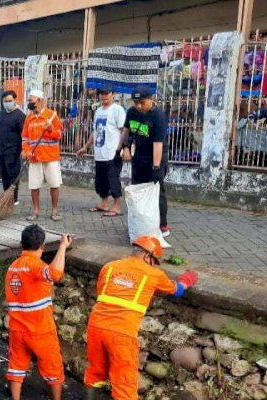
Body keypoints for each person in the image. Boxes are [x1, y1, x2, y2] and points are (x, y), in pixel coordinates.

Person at [84, 236, 198, 400]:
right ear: (147, 256)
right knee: (125, 382)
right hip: (122, 332)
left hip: (95, 326)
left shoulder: (109, 267)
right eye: (154, 261)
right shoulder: (153, 274)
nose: (154, 265)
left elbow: (103, 291)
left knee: (95, 371)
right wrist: (186, 280)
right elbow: (176, 290)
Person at [5, 224, 73, 400]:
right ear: (42, 246)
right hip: (40, 329)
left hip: (17, 329)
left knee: (17, 366)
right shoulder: (35, 265)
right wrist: (63, 246)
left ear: (21, 244)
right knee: (53, 367)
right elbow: (55, 273)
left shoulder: (13, 267)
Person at [120, 85, 171, 237]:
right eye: (135, 103)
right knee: (138, 190)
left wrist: (156, 167)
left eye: (141, 102)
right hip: (139, 157)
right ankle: (140, 223)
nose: (138, 106)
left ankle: (162, 225)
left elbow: (158, 144)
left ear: (151, 99)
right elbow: (126, 131)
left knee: (156, 191)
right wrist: (123, 147)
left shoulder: (158, 116)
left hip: (156, 157)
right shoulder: (132, 112)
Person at [76, 84, 126, 217]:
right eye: (101, 93)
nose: (103, 96)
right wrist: (86, 147)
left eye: (106, 93)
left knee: (113, 180)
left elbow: (124, 131)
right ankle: (104, 203)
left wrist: (123, 148)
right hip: (100, 152)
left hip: (113, 152)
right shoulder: (98, 111)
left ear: (112, 94)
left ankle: (116, 206)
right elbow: (95, 131)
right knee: (101, 180)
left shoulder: (118, 110)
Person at [21, 89, 63, 221]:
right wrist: (26, 150)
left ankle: (54, 211)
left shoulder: (52, 116)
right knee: (34, 185)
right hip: (34, 157)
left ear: (39, 101)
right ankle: (35, 211)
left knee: (54, 184)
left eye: (31, 100)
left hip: (50, 157)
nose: (29, 102)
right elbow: (25, 137)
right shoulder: (29, 118)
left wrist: (50, 129)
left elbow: (59, 135)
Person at [0, 90, 26, 205]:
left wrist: (24, 149)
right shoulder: (2, 113)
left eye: (10, 101)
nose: (7, 103)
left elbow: (24, 134)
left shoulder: (20, 115)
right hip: (1, 149)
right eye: (5, 101)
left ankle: (14, 198)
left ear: (15, 100)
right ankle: (6, 196)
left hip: (13, 150)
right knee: (4, 174)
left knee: (13, 174)